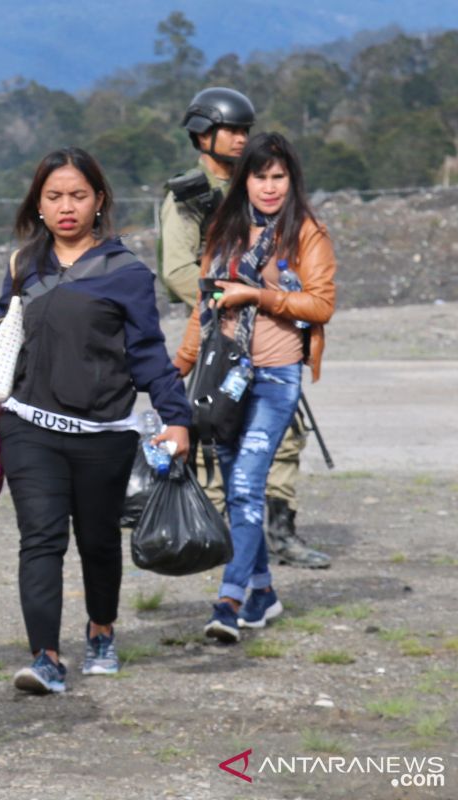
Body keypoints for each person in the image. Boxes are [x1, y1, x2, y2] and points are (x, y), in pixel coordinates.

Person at [0, 147, 191, 694]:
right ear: (38, 204)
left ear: (99, 200)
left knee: (99, 541)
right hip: (29, 426)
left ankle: (102, 631)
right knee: (40, 540)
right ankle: (46, 658)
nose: (66, 207)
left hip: (103, 434)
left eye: (78, 196)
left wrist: (175, 418)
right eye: (54, 196)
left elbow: (149, 353)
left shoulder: (127, 272)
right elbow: (5, 330)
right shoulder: (25, 265)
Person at [172, 132, 337, 643]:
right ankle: (262, 593)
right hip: (224, 378)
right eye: (259, 176)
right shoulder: (224, 229)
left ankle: (227, 602)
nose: (269, 187)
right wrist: (175, 371)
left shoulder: (307, 232)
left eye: (278, 176)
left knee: (244, 487)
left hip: (276, 377)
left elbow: (320, 304)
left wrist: (257, 295)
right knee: (242, 497)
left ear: (292, 179)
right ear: (243, 179)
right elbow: (205, 307)